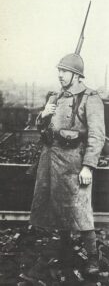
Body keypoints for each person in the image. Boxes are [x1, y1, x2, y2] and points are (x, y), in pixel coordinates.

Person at [30, 53, 105, 275]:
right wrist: (43, 115)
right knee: (57, 207)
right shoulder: (55, 97)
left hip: (74, 164)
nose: (60, 75)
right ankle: (65, 249)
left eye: (64, 71)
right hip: (50, 161)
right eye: (59, 71)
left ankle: (92, 257)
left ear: (76, 75)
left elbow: (97, 136)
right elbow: (42, 130)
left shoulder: (90, 98)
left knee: (80, 211)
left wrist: (88, 166)